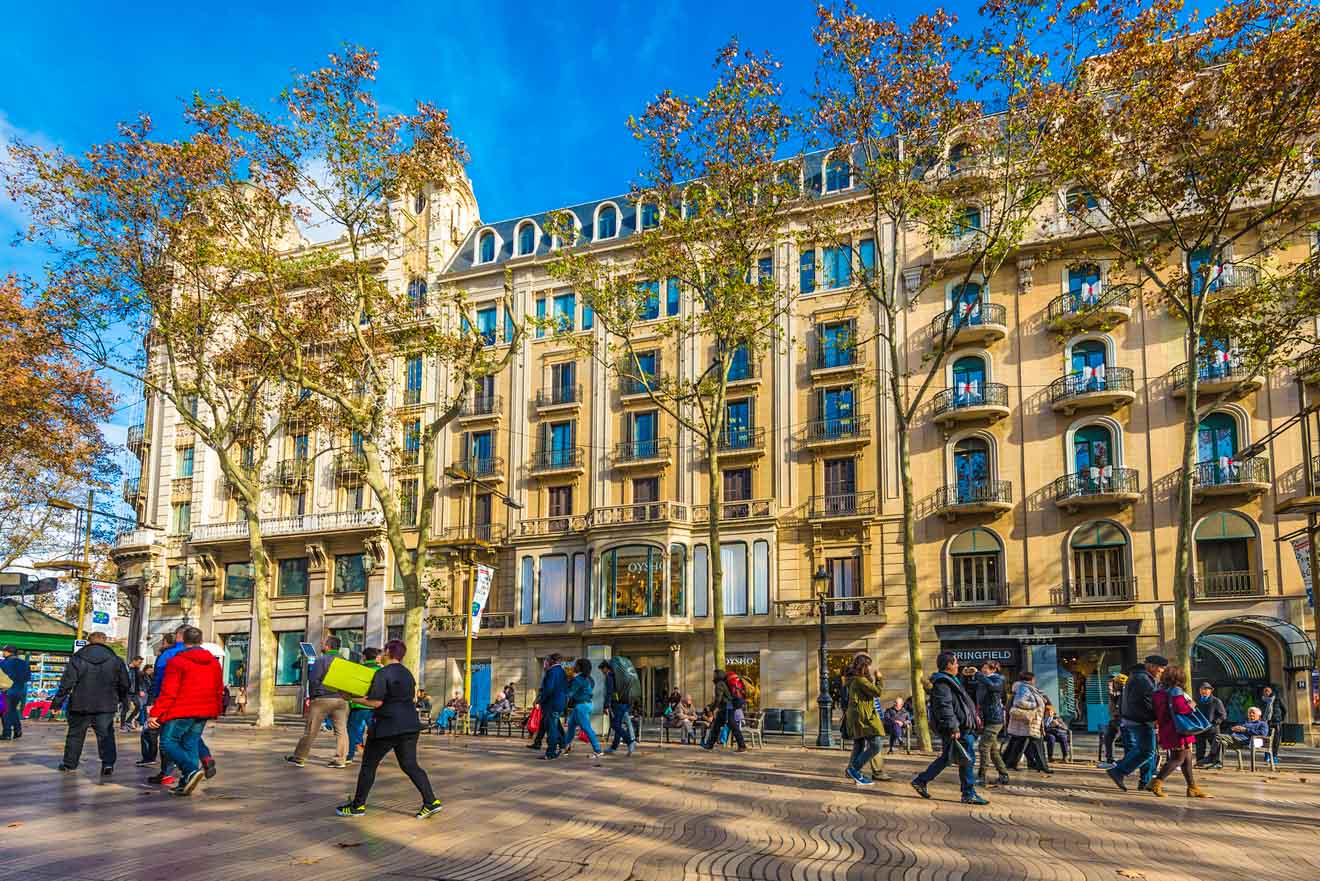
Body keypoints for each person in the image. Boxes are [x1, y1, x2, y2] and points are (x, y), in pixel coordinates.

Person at [335, 640, 442, 819]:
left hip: (386, 726)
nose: (382, 655)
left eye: (384, 651)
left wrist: (351, 698)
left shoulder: (383, 673)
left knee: (369, 765)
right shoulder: (408, 674)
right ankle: (431, 802)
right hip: (409, 726)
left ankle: (357, 806)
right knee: (410, 765)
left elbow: (376, 702)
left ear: (388, 652)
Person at [148, 626, 224, 796]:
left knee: (168, 742)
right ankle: (185, 782)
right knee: (190, 743)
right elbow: (218, 688)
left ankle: (190, 771)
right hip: (205, 709)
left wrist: (155, 712)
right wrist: (216, 709)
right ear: (201, 641)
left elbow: (169, 691)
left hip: (182, 708)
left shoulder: (177, 661)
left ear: (182, 640)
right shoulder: (213, 662)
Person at [48, 631, 130, 776]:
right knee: (105, 735)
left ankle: (70, 764)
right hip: (106, 704)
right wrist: (122, 700)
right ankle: (108, 764)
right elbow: (125, 683)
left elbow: (67, 683)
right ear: (105, 641)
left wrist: (57, 704)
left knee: (75, 735)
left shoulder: (77, 658)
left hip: (80, 703)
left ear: (88, 641)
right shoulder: (116, 660)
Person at [912, 651, 987, 805]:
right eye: (956, 663)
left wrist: (968, 677)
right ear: (949, 665)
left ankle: (921, 781)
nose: (958, 665)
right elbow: (945, 707)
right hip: (959, 729)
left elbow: (965, 698)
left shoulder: (951, 680)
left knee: (947, 758)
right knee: (967, 760)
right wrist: (954, 727)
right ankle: (968, 793)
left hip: (961, 727)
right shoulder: (942, 683)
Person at [286, 636, 350, 768]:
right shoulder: (345, 661)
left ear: (328, 646)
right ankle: (340, 759)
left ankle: (299, 757)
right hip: (341, 699)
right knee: (341, 731)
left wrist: (313, 697)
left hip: (322, 699)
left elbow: (314, 679)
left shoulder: (321, 660)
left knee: (311, 730)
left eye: (322, 643)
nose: (321, 645)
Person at [1106, 654, 1166, 793]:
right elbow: (1147, 701)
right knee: (1148, 751)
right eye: (1160, 668)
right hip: (1142, 720)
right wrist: (1155, 715)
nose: (1161, 671)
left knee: (1143, 750)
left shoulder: (1138, 677)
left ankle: (1139, 778)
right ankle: (1119, 771)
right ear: (1151, 666)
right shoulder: (1143, 679)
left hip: (1135, 719)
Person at [1149, 665, 1210, 798]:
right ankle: (1156, 782)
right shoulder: (1175, 691)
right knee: (1178, 758)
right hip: (1179, 728)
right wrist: (1191, 706)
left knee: (1187, 757)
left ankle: (1192, 787)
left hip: (1167, 727)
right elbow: (1181, 709)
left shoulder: (1157, 691)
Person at [843, 653, 885, 786]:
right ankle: (853, 769)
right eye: (868, 666)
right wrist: (879, 679)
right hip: (864, 718)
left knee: (859, 745)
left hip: (858, 716)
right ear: (864, 666)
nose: (870, 669)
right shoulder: (860, 680)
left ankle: (855, 773)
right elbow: (877, 692)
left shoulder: (853, 679)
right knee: (876, 744)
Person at [1004, 671, 1050, 776]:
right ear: (1030, 679)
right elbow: (1019, 702)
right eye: (1034, 679)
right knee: (1037, 743)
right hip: (1029, 721)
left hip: (1030, 722)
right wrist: (1035, 704)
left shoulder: (1028, 688)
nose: (1035, 680)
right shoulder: (1024, 688)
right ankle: (1042, 766)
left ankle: (1010, 763)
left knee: (1021, 743)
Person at [973, 661, 1009, 787]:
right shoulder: (984, 680)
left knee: (983, 747)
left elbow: (993, 687)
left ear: (993, 669)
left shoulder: (998, 679)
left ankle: (981, 777)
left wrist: (979, 676)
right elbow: (971, 688)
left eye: (985, 668)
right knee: (993, 750)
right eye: (981, 667)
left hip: (995, 719)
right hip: (987, 719)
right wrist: (966, 676)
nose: (982, 670)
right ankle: (1004, 775)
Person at [346, 647, 382, 763]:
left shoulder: (358, 669)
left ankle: (350, 756)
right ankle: (375, 756)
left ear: (364, 657)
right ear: (376, 657)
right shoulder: (381, 670)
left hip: (359, 705)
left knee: (352, 730)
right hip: (375, 706)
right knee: (375, 731)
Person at [562, 659, 603, 759]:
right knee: (571, 726)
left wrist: (567, 682)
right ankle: (565, 747)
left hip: (581, 706)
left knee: (586, 728)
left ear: (580, 667)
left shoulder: (578, 679)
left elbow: (570, 693)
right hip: (585, 705)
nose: (574, 667)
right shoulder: (588, 678)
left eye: (576, 665)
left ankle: (598, 750)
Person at [701, 668, 747, 753]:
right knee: (716, 725)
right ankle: (709, 745)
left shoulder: (719, 684)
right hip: (726, 707)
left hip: (728, 707)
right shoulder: (723, 683)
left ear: (718, 676)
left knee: (732, 725)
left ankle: (742, 746)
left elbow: (718, 699)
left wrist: (712, 708)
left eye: (714, 674)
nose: (713, 676)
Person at [600, 660, 638, 755]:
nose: (602, 672)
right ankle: (614, 747)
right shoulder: (619, 677)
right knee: (618, 725)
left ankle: (630, 741)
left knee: (614, 725)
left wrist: (606, 706)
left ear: (606, 668)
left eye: (602, 670)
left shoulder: (609, 676)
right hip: (625, 703)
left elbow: (609, 692)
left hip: (616, 704)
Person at [538, 654, 569, 759]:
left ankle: (550, 752)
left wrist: (540, 700)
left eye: (546, 661)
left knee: (552, 728)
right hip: (559, 703)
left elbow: (549, 689)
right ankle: (563, 744)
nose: (545, 663)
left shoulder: (551, 672)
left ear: (551, 661)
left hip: (551, 704)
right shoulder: (562, 672)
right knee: (555, 726)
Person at [1194, 682, 1228, 769]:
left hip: (1212, 728)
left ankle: (1217, 762)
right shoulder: (1196, 700)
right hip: (1200, 728)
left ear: (1211, 691)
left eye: (1206, 689)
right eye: (1202, 689)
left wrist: (1215, 722)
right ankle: (1199, 761)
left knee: (1215, 746)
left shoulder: (1216, 701)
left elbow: (1223, 715)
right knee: (1199, 746)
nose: (1204, 691)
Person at [1097, 673, 1127, 769]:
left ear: (1118, 683)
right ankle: (1111, 760)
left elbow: (1120, 708)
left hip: (1120, 721)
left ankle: (1126, 764)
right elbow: (1113, 697)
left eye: (1113, 682)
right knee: (1109, 738)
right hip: (1117, 720)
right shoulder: (1120, 692)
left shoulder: (1124, 693)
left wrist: (1116, 717)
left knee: (1127, 743)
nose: (1112, 684)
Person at [1, 644, 31, 741]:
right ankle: (18, 731)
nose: (3, 652)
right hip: (21, 689)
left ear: (9, 652)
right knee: (13, 710)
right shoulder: (24, 663)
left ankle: (7, 733)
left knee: (5, 712)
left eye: (4, 651)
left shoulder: (5, 662)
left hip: (8, 689)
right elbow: (28, 677)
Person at [1259, 685, 1285, 762]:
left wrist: (1280, 719)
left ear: (1271, 691)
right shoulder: (1262, 700)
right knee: (1265, 739)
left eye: (1268, 691)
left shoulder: (1277, 699)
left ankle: (1274, 756)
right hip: (1265, 722)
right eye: (1265, 691)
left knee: (1276, 740)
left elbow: (1284, 710)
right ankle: (1267, 755)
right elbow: (1258, 711)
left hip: (1276, 722)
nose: (1266, 692)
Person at [119, 657, 145, 731]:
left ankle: (128, 721)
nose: (140, 664)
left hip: (135, 692)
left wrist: (140, 690)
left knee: (139, 706)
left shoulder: (137, 670)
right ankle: (122, 725)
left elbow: (139, 682)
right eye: (139, 662)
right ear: (134, 661)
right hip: (127, 692)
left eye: (141, 663)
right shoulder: (126, 669)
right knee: (126, 708)